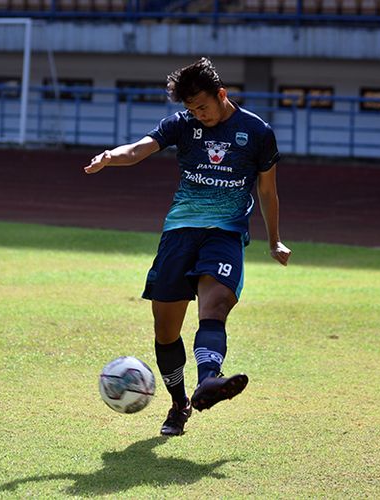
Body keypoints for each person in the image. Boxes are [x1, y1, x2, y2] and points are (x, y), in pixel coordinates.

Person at [84, 57, 291, 436]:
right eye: (191, 108)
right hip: (179, 233)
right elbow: (142, 148)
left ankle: (209, 381)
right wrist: (112, 156)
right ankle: (180, 403)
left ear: (222, 94)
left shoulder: (257, 132)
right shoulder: (183, 125)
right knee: (165, 331)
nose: (198, 114)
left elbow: (267, 190)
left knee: (216, 305)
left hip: (225, 233)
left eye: (203, 106)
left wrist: (274, 239)